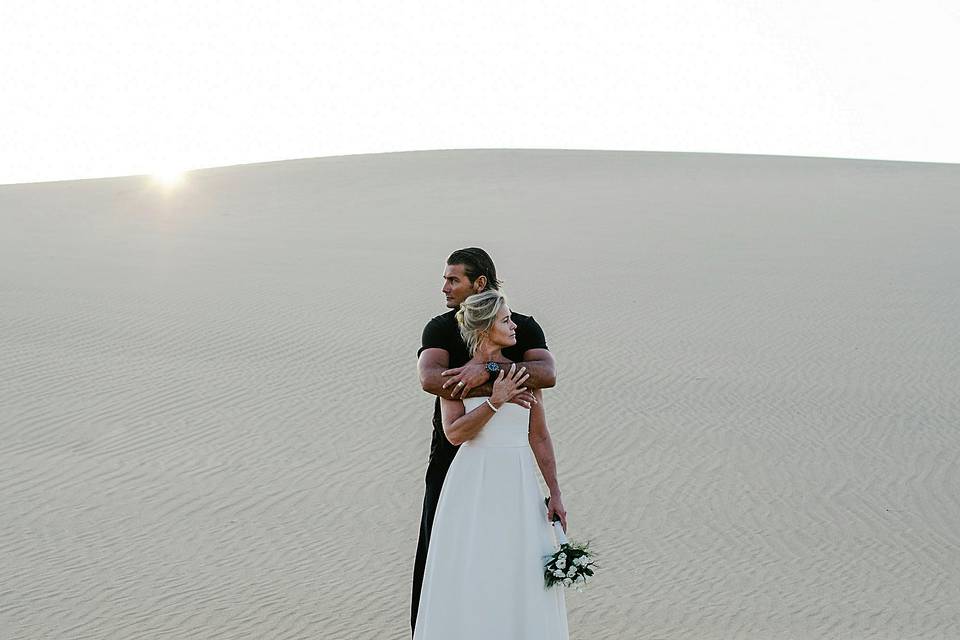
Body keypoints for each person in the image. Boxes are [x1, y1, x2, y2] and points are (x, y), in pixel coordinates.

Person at [411, 247, 566, 634]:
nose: (444, 287)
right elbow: (433, 380)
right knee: (446, 556)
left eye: (453, 279)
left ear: (479, 282)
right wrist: (487, 391)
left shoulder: (523, 326)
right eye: (446, 279)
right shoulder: (440, 328)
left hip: (514, 474)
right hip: (454, 463)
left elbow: (546, 376)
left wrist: (492, 370)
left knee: (516, 562)